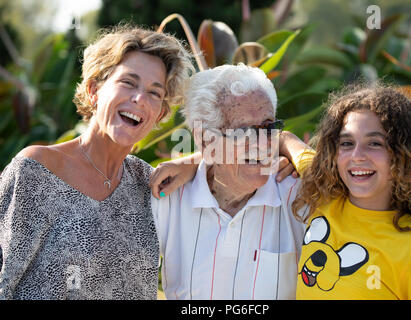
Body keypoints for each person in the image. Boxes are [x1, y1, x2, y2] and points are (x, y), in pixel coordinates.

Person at [0, 25, 194, 299]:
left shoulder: (149, 185)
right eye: (128, 82)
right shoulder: (37, 171)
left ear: (160, 113)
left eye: (154, 92)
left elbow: (238, 177)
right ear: (94, 90)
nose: (139, 98)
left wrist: (196, 162)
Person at [150, 64, 309, 300]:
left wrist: (286, 140)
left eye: (268, 127)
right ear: (205, 140)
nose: (262, 144)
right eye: (243, 131)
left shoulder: (297, 195)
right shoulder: (168, 196)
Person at [283, 83, 411, 299]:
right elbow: (288, 140)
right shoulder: (324, 194)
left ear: (404, 155)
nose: (357, 155)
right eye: (346, 142)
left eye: (374, 143)